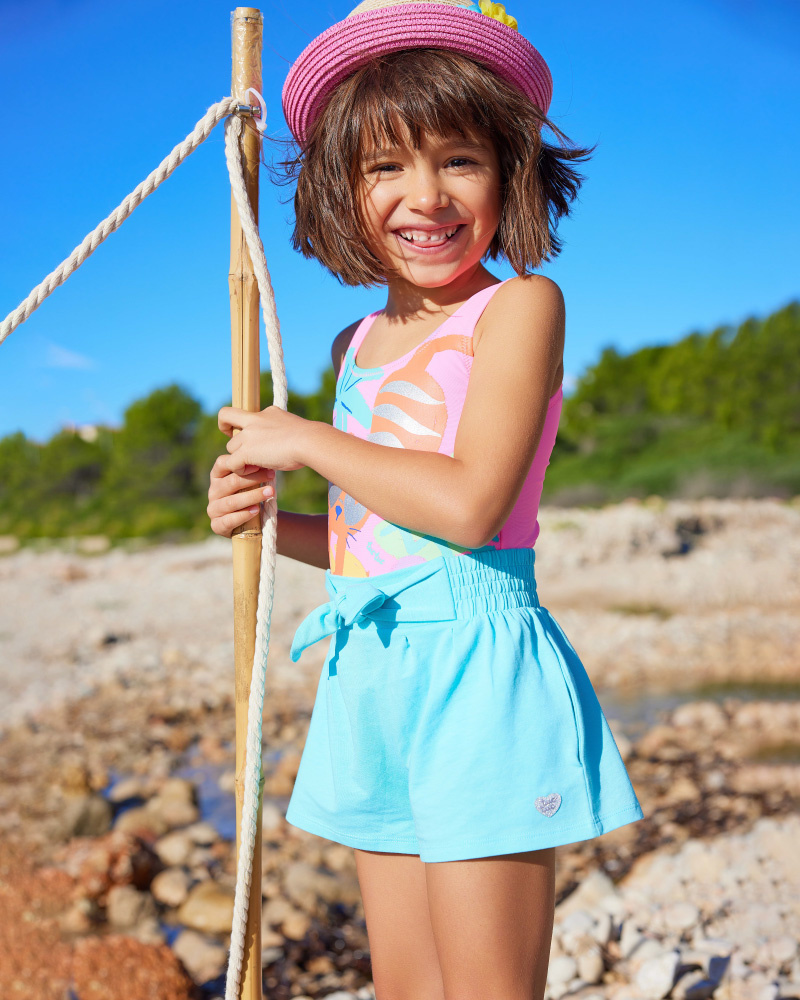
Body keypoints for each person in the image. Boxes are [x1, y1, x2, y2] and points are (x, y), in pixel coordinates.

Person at [207, 1, 644, 997]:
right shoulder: (352, 346)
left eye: (458, 160)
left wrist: (307, 440)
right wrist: (270, 523)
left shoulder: (518, 307)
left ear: (508, 168)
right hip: (370, 669)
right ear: (339, 186)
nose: (426, 196)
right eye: (384, 167)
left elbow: (470, 509)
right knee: (405, 985)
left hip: (477, 672)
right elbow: (372, 536)